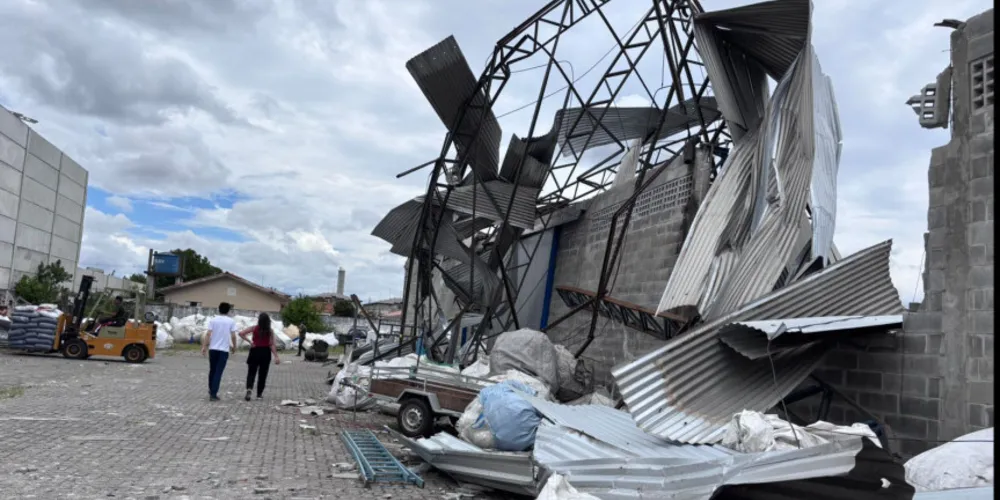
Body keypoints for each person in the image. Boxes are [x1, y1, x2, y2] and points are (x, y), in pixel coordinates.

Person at [238, 313, 281, 401]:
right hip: (265, 352)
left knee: (251, 372)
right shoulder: (270, 331)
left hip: (254, 351)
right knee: (263, 374)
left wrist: (250, 342)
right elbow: (271, 344)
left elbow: (241, 333)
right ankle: (259, 394)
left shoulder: (254, 328)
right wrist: (276, 356)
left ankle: (249, 389)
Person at [202, 302, 237, 401]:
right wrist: (234, 346)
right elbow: (233, 336)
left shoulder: (213, 320)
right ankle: (213, 394)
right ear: (229, 311)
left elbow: (208, 334)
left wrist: (204, 346)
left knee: (212, 370)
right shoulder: (231, 321)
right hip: (223, 350)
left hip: (212, 349)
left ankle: (211, 389)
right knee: (218, 372)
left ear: (219, 309)